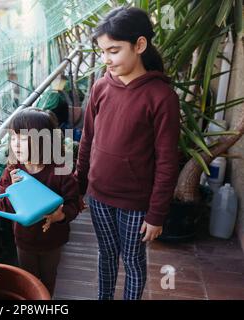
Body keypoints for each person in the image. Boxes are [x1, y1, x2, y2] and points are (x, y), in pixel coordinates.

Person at [75, 6, 181, 300]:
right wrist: (80, 185)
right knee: (106, 255)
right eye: (102, 52)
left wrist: (157, 214)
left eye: (114, 50)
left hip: (136, 203)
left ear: (140, 45)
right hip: (98, 196)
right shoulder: (99, 87)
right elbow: (87, 139)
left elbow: (167, 162)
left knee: (133, 261)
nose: (106, 59)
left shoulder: (162, 97)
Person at [0, 107, 80, 296]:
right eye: (13, 137)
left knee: (49, 277)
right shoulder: (12, 171)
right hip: (24, 240)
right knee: (29, 280)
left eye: (24, 138)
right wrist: (11, 189)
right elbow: (3, 206)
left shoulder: (60, 172)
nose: (16, 144)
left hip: (53, 240)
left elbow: (73, 203)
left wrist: (61, 215)